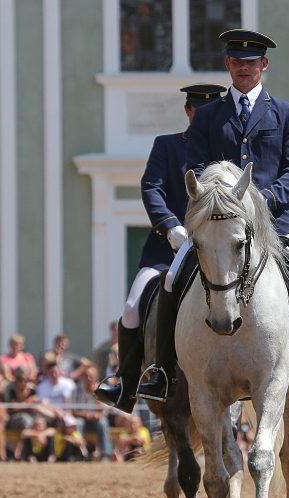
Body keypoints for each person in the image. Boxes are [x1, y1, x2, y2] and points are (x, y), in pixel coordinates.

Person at [144, 29, 289, 404]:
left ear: (263, 65)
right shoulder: (209, 116)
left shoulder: (286, 114)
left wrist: (262, 201)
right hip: (220, 223)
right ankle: (163, 370)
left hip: (278, 219)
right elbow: (197, 166)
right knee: (172, 278)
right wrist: (220, 202)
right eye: (236, 62)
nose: (243, 68)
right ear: (228, 65)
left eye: (251, 63)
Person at [95, 83, 227, 412]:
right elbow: (151, 187)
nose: (204, 120)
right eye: (199, 113)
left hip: (217, 250)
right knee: (131, 306)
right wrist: (171, 226)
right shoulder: (167, 146)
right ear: (188, 112)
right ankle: (126, 382)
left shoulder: (226, 158)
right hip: (168, 249)